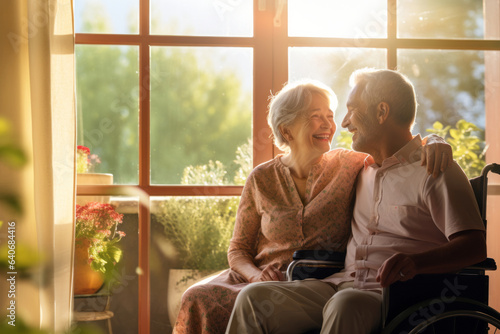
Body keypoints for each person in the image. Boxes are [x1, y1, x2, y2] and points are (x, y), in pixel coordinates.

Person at [173, 78, 451, 334]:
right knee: (199, 298)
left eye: (329, 116)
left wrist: (436, 141)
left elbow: (395, 145)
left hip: (318, 282)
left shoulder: (349, 163)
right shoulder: (261, 178)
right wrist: (256, 275)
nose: (329, 124)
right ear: (286, 130)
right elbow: (238, 249)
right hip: (262, 278)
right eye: (315, 117)